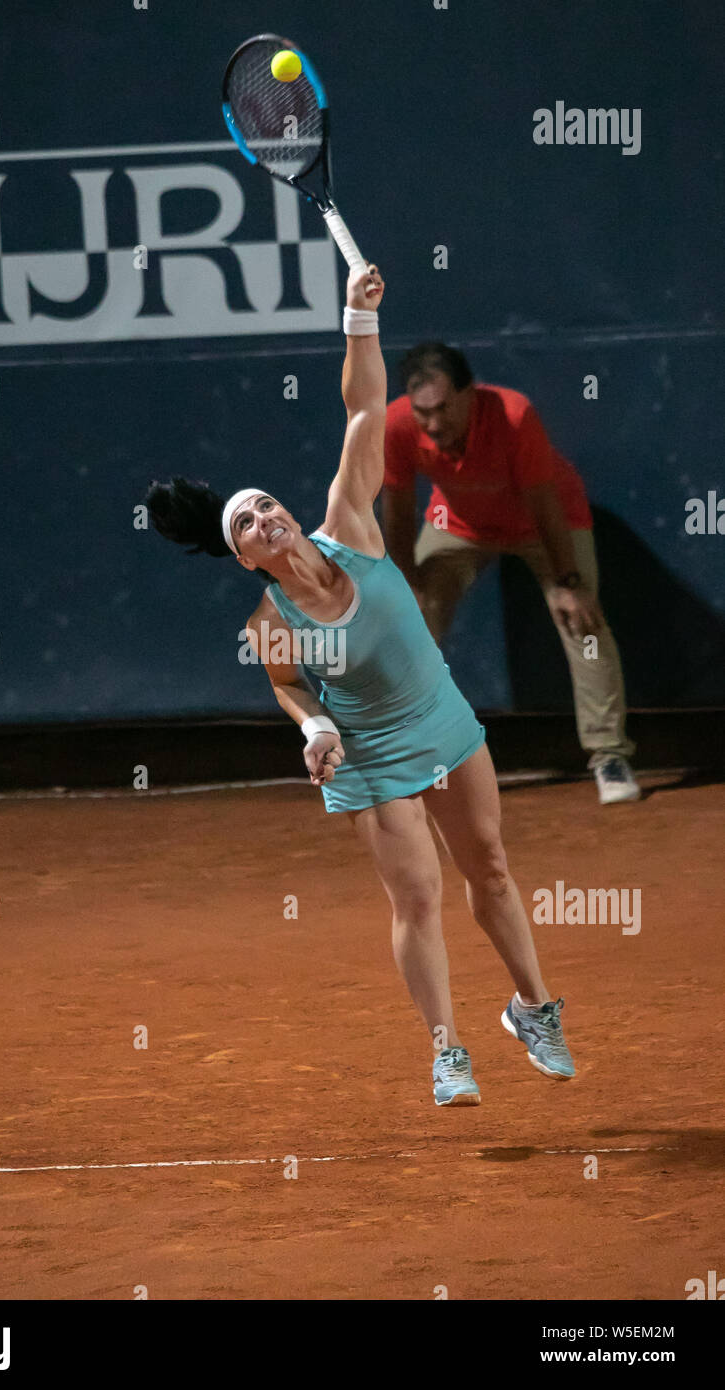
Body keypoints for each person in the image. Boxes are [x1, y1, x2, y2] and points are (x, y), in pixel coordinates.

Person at [148, 262, 575, 1108]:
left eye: (265, 504)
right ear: (244, 556)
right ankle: (448, 1050)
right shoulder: (269, 621)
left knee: (487, 866)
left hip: (443, 721)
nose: (265, 517)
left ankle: (533, 1008)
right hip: (370, 755)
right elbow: (289, 688)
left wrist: (357, 316)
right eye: (247, 525)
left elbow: (361, 410)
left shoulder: (349, 521)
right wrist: (313, 729)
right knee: (417, 897)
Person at [380, 342, 640, 805]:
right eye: (424, 413)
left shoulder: (514, 415)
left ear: (469, 394)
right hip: (457, 523)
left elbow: (544, 502)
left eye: (443, 409)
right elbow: (397, 512)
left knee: (583, 625)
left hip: (545, 523)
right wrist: (405, 583)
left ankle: (609, 755)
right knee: (410, 623)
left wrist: (569, 583)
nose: (434, 424)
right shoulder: (396, 425)